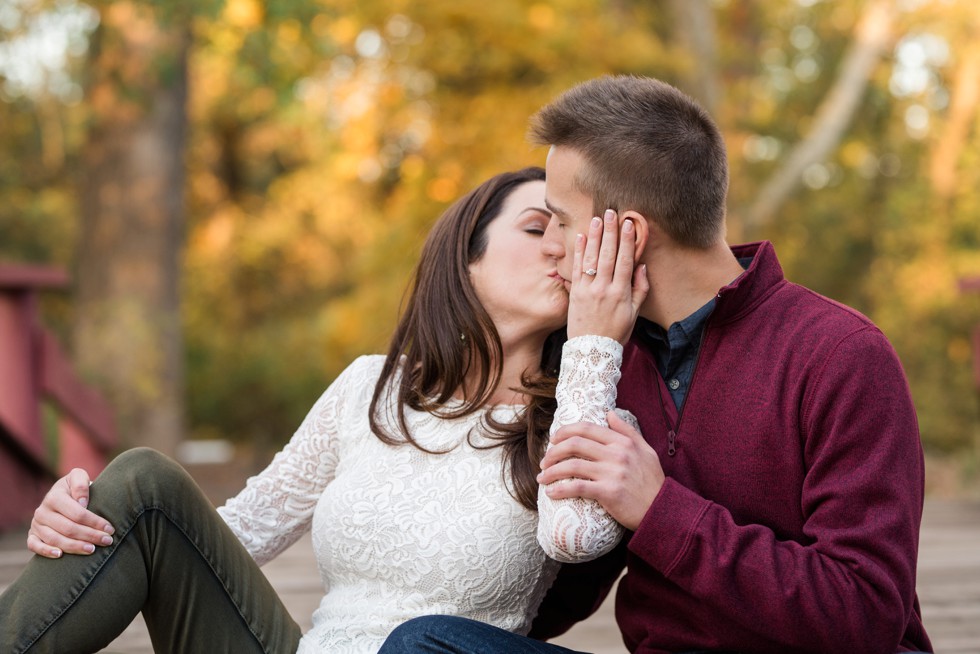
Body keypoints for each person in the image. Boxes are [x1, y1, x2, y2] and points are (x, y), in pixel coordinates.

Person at [379, 76, 933, 653]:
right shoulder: (609, 361)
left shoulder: (841, 354)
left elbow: (865, 616)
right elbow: (557, 598)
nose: (552, 247)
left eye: (560, 221)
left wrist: (657, 508)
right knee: (426, 644)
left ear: (629, 234)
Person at [0, 166, 646, 654]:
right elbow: (235, 538)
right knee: (141, 482)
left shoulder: (590, 414)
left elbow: (576, 536)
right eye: (538, 228)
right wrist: (84, 523)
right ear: (465, 257)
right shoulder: (372, 386)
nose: (564, 250)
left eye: (575, 236)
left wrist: (594, 344)